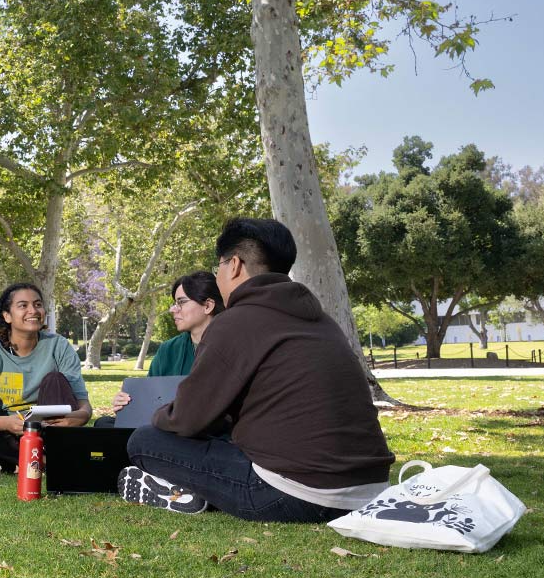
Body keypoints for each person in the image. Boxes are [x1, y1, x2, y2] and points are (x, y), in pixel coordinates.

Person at [118, 217, 395, 521]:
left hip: (300, 494)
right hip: (371, 488)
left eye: (218, 266)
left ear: (234, 265)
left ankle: (185, 491)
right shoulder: (322, 320)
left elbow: (186, 420)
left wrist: (155, 414)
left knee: (145, 441)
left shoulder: (235, 322)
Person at [0, 282, 92, 472]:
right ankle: (48, 460)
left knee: (55, 379)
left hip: (52, 429)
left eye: (38, 304)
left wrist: (79, 417)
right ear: (7, 316)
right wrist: (5, 423)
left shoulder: (58, 346)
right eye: (23, 305)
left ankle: (30, 460)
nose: (33, 310)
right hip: (12, 432)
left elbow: (83, 404)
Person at [106, 271, 222, 421]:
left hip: (209, 428)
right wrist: (127, 403)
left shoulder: (231, 346)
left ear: (207, 305)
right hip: (166, 425)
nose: (173, 309)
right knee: (104, 423)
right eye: (175, 303)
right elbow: (151, 398)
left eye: (181, 302)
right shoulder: (168, 349)